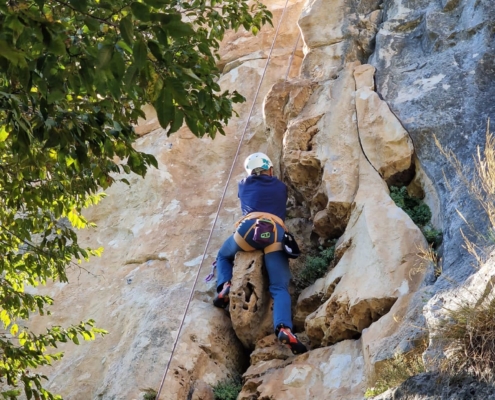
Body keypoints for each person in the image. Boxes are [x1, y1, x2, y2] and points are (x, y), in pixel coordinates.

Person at [213, 152, 307, 355]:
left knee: (223, 255)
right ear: (270, 169)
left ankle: (225, 286)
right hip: (275, 233)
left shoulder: (243, 184)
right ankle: (284, 329)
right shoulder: (281, 187)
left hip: (248, 230)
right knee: (279, 287)